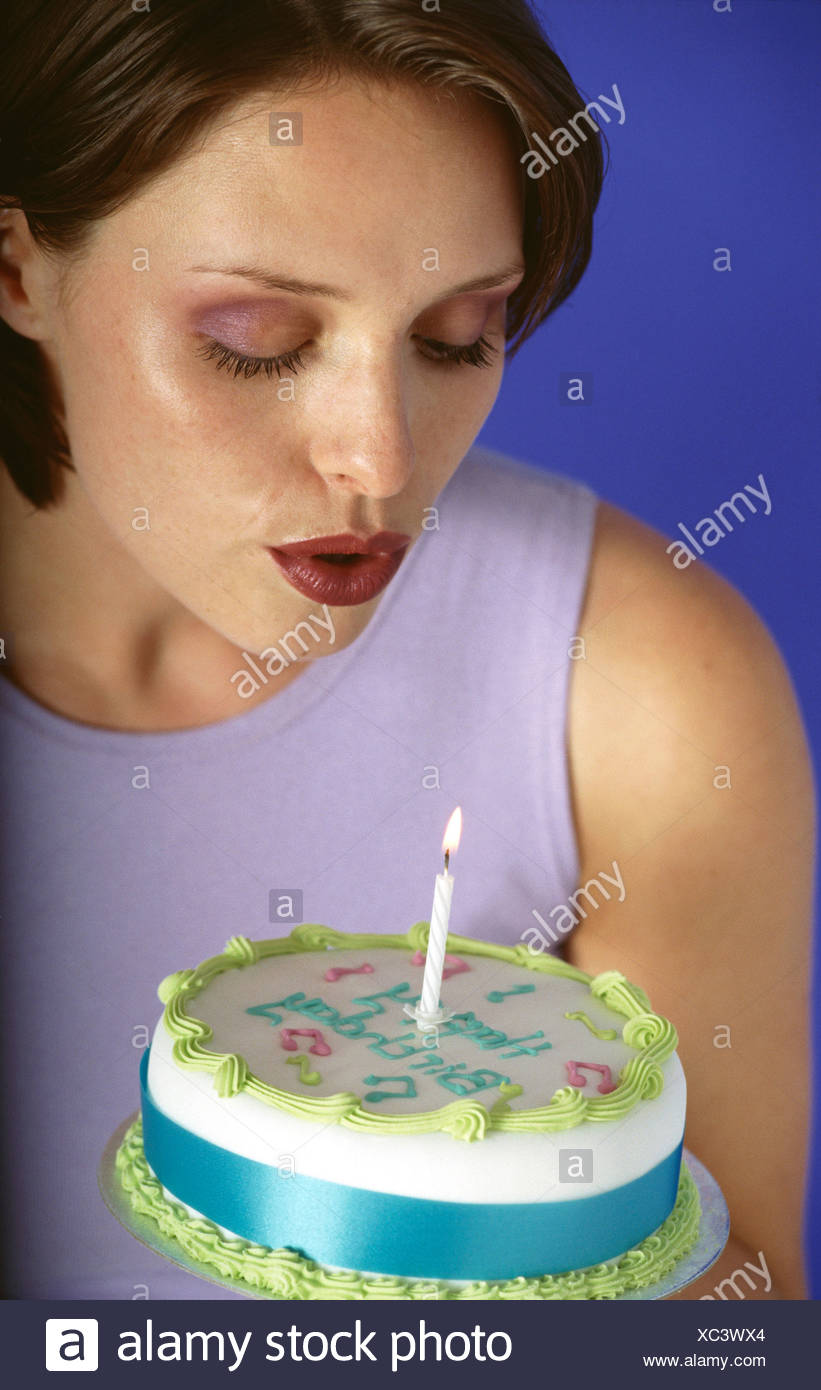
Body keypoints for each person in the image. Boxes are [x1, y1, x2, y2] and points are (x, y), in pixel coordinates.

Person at [0, 0, 812, 1300]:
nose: (376, 461)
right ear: (20, 266)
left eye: (455, 337)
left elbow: (734, 1312)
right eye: (256, 343)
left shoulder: (638, 677)